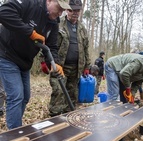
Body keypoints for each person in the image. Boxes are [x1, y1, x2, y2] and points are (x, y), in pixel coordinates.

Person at [0, 0, 71, 129]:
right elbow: (4, 12)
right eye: (59, 8)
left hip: (25, 61)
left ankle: (16, 128)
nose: (61, 13)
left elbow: (52, 46)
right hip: (6, 54)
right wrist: (30, 32)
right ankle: (14, 135)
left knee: (25, 96)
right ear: (49, 1)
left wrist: (55, 63)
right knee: (16, 96)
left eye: (63, 10)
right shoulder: (30, 3)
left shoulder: (54, 22)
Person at [48, 0, 91, 117]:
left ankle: (68, 118)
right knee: (59, 92)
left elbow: (86, 48)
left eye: (77, 10)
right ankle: (55, 118)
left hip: (76, 68)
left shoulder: (82, 28)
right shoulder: (58, 23)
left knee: (72, 95)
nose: (75, 13)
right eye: (72, 10)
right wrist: (44, 61)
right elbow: (49, 43)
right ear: (67, 10)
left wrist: (87, 66)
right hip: (59, 66)